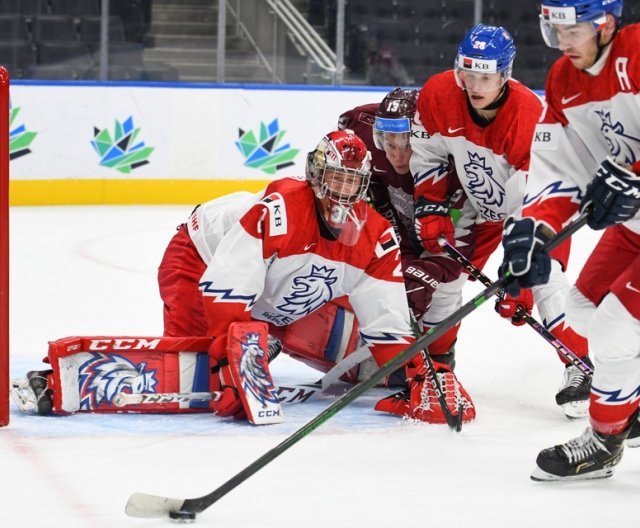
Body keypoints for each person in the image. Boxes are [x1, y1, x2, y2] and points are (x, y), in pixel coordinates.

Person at [13, 130, 417, 424]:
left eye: (352, 182)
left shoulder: (374, 233)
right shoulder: (279, 210)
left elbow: (388, 319)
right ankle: (64, 379)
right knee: (197, 374)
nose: (343, 192)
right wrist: (231, 360)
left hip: (273, 289)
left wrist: (418, 374)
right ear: (316, 174)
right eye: (335, 179)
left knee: (362, 356)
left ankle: (265, 338)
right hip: (199, 265)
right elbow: (226, 290)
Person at [407, 23, 593, 422]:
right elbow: (430, 153)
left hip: (542, 209)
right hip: (479, 203)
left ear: (505, 74)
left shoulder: (530, 118)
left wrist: (518, 275)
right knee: (444, 274)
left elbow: (529, 200)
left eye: (485, 77)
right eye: (467, 73)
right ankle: (436, 365)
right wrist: (432, 205)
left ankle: (580, 364)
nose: (473, 84)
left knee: (544, 279)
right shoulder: (440, 93)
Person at [498, 0, 640, 481]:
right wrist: (535, 229)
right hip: (635, 229)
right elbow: (560, 170)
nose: (562, 41)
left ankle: (604, 442)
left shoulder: (637, 54)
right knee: (582, 310)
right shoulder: (563, 80)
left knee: (617, 331)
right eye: (554, 29)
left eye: (572, 29)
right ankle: (630, 395)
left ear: (605, 25)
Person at [337, 87, 476, 424]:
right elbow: (345, 131)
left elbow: (457, 245)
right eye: (389, 143)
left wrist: (426, 274)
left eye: (408, 146)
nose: (397, 156)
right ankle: (389, 350)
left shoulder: (455, 167)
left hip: (442, 228)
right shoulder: (363, 127)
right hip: (397, 223)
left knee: (446, 286)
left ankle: (439, 360)